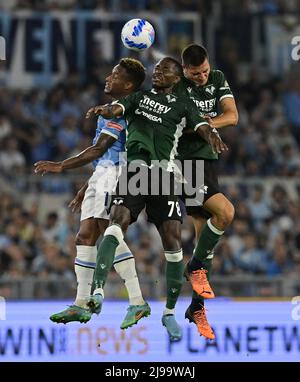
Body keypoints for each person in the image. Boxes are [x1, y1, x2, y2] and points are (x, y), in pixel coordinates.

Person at [85, 57, 227, 341]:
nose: (158, 72)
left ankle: (169, 313)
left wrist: (211, 135)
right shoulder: (139, 96)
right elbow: (118, 108)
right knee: (116, 225)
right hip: (135, 171)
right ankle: (97, 292)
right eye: (157, 68)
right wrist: (107, 109)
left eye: (165, 69)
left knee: (173, 245)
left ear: (176, 78)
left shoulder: (183, 104)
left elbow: (201, 125)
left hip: (164, 176)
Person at [34, 58, 151, 329]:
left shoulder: (123, 111)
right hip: (103, 175)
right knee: (85, 236)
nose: (109, 78)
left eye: (115, 75)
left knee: (105, 232)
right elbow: (102, 158)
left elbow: (101, 149)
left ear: (129, 85)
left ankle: (135, 300)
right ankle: (81, 302)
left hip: (117, 175)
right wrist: (88, 184)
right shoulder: (110, 111)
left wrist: (61, 165)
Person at [175, 44, 238, 339]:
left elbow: (232, 115)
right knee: (225, 213)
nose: (201, 76)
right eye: (195, 72)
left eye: (204, 70)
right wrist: (201, 126)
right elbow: (181, 126)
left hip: (208, 161)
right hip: (188, 163)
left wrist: (205, 125)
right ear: (184, 69)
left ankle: (197, 307)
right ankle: (194, 266)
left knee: (205, 238)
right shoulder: (178, 86)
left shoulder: (217, 77)